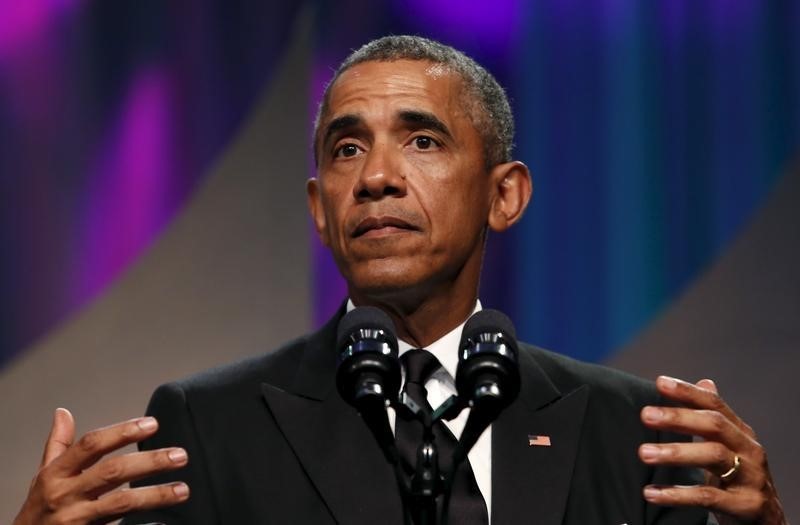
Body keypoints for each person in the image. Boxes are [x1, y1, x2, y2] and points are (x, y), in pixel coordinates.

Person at [14, 35, 786, 525]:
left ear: (504, 193)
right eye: (347, 149)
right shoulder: (211, 428)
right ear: (319, 210)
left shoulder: (635, 433)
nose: (377, 177)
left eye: (421, 139)